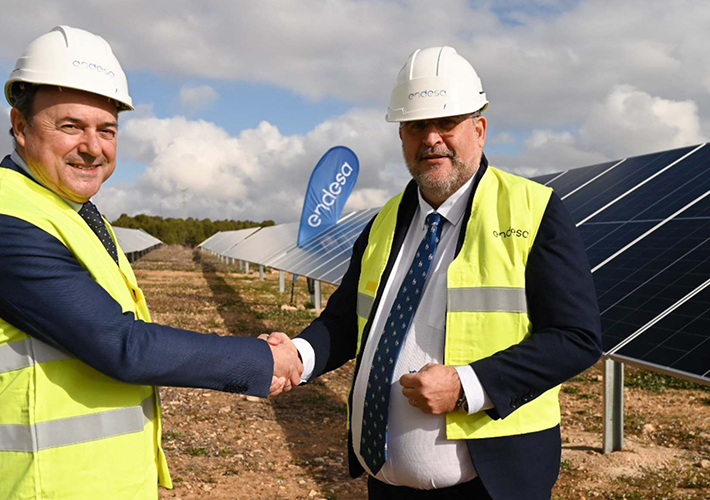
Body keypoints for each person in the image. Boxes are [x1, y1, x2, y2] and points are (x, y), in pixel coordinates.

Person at [266, 46, 602, 499]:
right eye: (417, 126)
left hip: (493, 483)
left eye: (447, 123)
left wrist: (468, 386)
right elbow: (345, 320)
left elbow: (576, 337)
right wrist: (299, 356)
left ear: (479, 130)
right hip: (386, 480)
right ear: (402, 137)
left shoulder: (534, 211)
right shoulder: (384, 221)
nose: (432, 138)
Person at [0, 26, 302, 499]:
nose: (92, 147)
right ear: (19, 125)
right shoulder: (8, 217)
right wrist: (262, 360)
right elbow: (122, 345)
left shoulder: (76, 216)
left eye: (107, 130)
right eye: (70, 126)